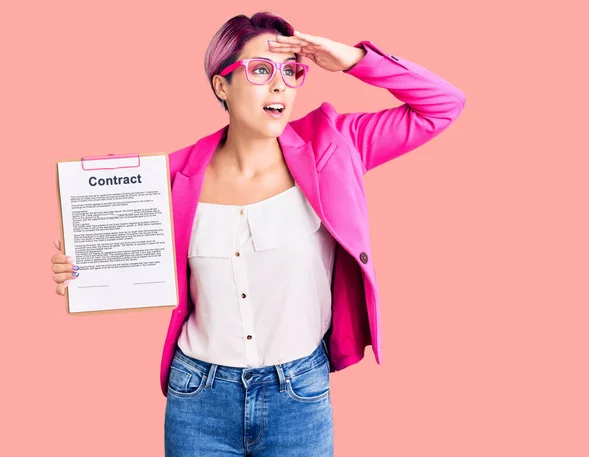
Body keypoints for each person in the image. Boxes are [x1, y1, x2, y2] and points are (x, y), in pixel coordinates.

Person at [50, 11, 465, 457]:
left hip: (299, 397)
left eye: (291, 71)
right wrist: (81, 267)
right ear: (221, 86)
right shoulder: (169, 179)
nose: (280, 84)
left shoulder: (335, 146)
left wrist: (351, 59)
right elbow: (115, 253)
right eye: (261, 70)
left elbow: (442, 105)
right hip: (198, 399)